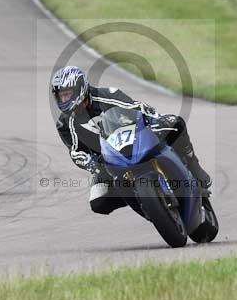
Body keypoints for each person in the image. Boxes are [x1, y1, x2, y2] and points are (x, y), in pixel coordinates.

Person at [50, 65, 210, 216]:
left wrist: (155, 119)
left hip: (133, 141)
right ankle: (146, 205)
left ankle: (195, 168)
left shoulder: (108, 95)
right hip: (104, 163)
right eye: (61, 96)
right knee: (98, 203)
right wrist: (92, 165)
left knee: (176, 123)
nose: (64, 99)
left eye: (68, 94)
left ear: (80, 88)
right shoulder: (64, 124)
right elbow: (76, 151)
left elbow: (136, 108)